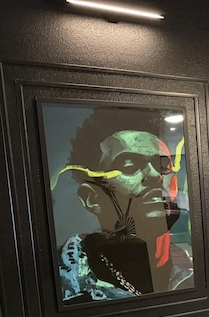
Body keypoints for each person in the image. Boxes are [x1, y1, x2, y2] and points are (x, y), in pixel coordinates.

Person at [53, 107, 194, 303]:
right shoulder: (64, 283)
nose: (156, 176)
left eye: (164, 167)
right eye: (129, 166)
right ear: (92, 198)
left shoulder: (194, 270)